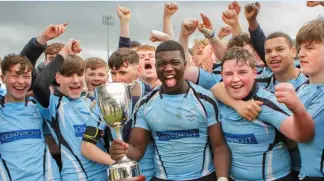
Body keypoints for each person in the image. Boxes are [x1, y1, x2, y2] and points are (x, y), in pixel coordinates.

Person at [109, 40, 231, 181]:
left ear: (185, 65)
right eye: (162, 64)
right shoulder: (145, 104)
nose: (168, 68)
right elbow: (136, 150)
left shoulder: (206, 99)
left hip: (203, 177)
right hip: (163, 178)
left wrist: (222, 178)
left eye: (174, 62)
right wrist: (121, 151)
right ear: (156, 67)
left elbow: (219, 146)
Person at [218, 47, 314, 181]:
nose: (235, 79)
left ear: (254, 73)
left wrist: (297, 108)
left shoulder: (267, 103)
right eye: (228, 74)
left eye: (242, 72)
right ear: (221, 75)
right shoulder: (220, 101)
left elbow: (302, 136)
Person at [33, 39, 110, 181]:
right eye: (68, 75)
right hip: (76, 176)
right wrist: (64, 52)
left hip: (106, 175)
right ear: (57, 78)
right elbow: (39, 85)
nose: (75, 80)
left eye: (79, 74)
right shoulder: (53, 103)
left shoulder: (92, 102)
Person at [81, 48, 155, 181]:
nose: (117, 79)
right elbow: (87, 146)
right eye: (113, 73)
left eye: (123, 72)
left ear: (138, 71)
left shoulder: (153, 96)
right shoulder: (105, 99)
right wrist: (120, 165)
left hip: (152, 175)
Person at [0, 54, 61, 181]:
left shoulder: (39, 107)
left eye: (26, 76)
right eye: (15, 75)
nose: (21, 81)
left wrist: (65, 52)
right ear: (3, 77)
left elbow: (42, 84)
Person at [295, 16, 324, 181]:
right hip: (304, 175)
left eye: (309, 47)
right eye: (300, 48)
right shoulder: (299, 90)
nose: (301, 54)